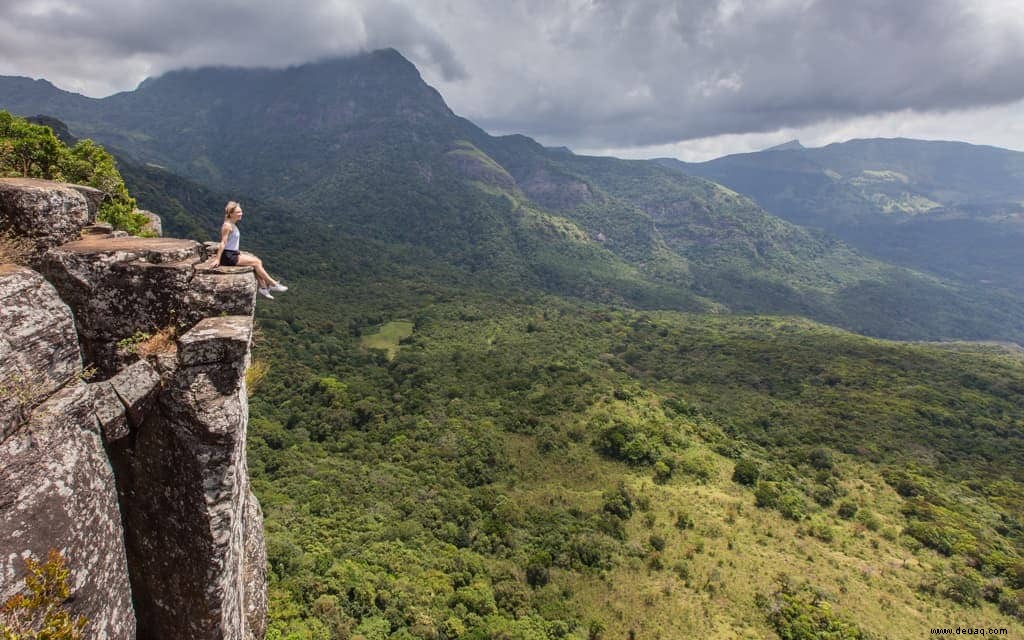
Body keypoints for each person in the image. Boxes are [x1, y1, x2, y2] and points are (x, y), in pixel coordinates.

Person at [208, 201, 288, 299]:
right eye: (238, 212)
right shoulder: (227, 226)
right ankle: (272, 284)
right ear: (231, 214)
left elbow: (231, 242)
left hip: (233, 253)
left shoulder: (232, 224)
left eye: (241, 211)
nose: (241, 214)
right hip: (229, 256)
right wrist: (217, 259)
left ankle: (263, 288)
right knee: (256, 262)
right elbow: (223, 243)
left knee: (257, 261)